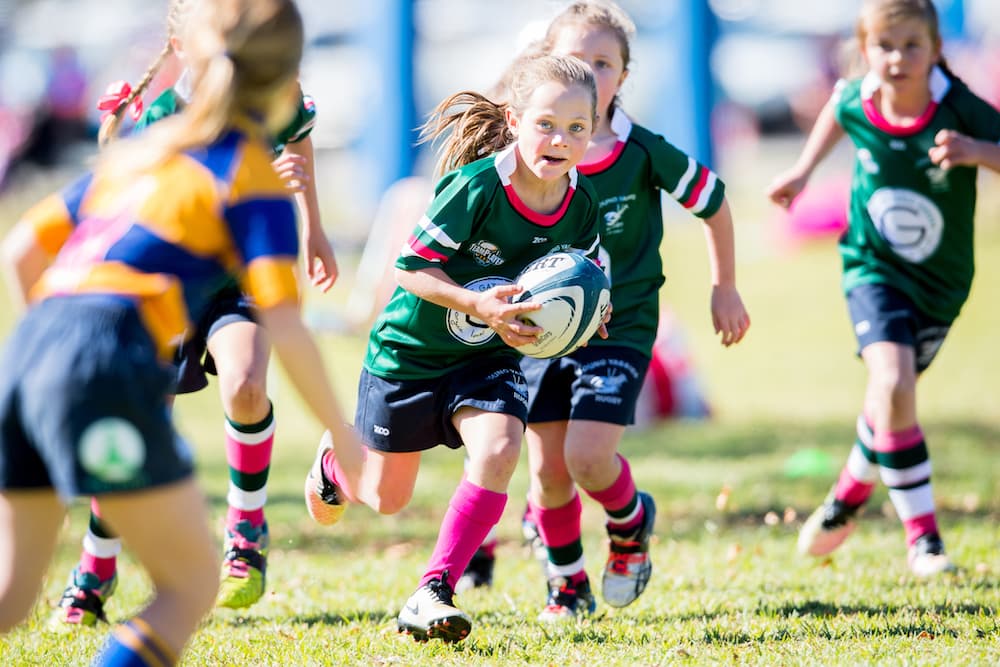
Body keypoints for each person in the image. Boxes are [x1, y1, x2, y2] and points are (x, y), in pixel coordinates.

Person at [0, 0, 366, 663]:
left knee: (11, 594)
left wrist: (49, 355)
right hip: (107, 356)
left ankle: (97, 574)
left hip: (26, 351)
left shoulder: (147, 154)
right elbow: (287, 325)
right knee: (190, 584)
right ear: (285, 79)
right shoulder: (249, 176)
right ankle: (102, 574)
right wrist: (343, 434)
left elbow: (21, 249)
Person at [304, 54, 606, 643]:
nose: (561, 140)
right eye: (546, 124)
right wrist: (482, 306)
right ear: (515, 121)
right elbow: (411, 269)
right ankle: (337, 459)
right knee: (388, 499)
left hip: (486, 358)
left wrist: (587, 317)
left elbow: (588, 277)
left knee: (499, 448)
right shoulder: (475, 188)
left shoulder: (581, 204)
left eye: (577, 128)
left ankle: (433, 589)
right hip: (408, 355)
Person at [461, 1, 749, 620]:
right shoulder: (521, 156)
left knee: (587, 458)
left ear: (623, 75)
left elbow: (715, 201)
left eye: (604, 63)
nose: (589, 73)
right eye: (575, 60)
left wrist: (724, 287)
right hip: (538, 333)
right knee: (547, 471)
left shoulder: (641, 152)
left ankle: (629, 517)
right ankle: (567, 587)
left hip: (621, 329)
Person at [767, 0, 1000, 577]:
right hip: (872, 269)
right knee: (893, 381)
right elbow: (835, 110)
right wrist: (801, 172)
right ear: (865, 50)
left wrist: (976, 152)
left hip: (942, 283)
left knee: (889, 399)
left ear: (936, 49)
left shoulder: (959, 106)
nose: (898, 58)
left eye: (912, 46)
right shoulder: (857, 97)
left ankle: (850, 489)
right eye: (884, 46)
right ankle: (924, 540)